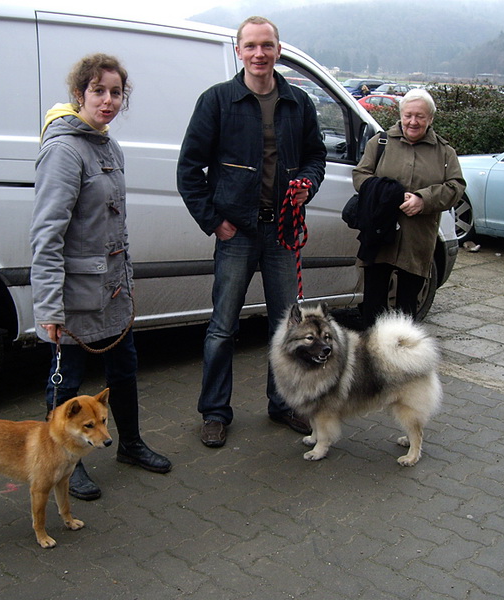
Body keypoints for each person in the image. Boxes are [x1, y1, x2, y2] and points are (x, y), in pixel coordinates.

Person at [177, 16, 326, 448]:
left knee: (287, 329)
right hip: (236, 234)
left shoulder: (299, 103)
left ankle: (283, 405)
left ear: (278, 50)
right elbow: (189, 169)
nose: (259, 53)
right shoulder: (218, 101)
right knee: (222, 328)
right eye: (251, 46)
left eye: (267, 45)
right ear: (238, 51)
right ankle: (215, 412)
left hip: (282, 233)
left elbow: (316, 157)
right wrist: (214, 222)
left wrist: (308, 186)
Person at [30, 53, 171, 501]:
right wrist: (49, 307)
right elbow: (47, 234)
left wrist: (126, 283)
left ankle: (128, 444)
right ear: (79, 95)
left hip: (113, 293)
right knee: (67, 384)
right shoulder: (63, 150)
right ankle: (65, 465)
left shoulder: (109, 146)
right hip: (74, 298)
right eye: (98, 91)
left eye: (116, 93)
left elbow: (117, 227)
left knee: (124, 371)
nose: (108, 101)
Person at [352, 88, 465, 323]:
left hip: (417, 241)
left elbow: (456, 187)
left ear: (430, 119)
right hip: (379, 237)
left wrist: (424, 200)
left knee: (407, 311)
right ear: (401, 115)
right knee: (373, 308)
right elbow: (360, 176)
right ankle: (373, 356)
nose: (413, 121)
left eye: (420, 116)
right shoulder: (380, 143)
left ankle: (402, 357)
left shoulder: (444, 152)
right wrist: (388, 194)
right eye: (408, 115)